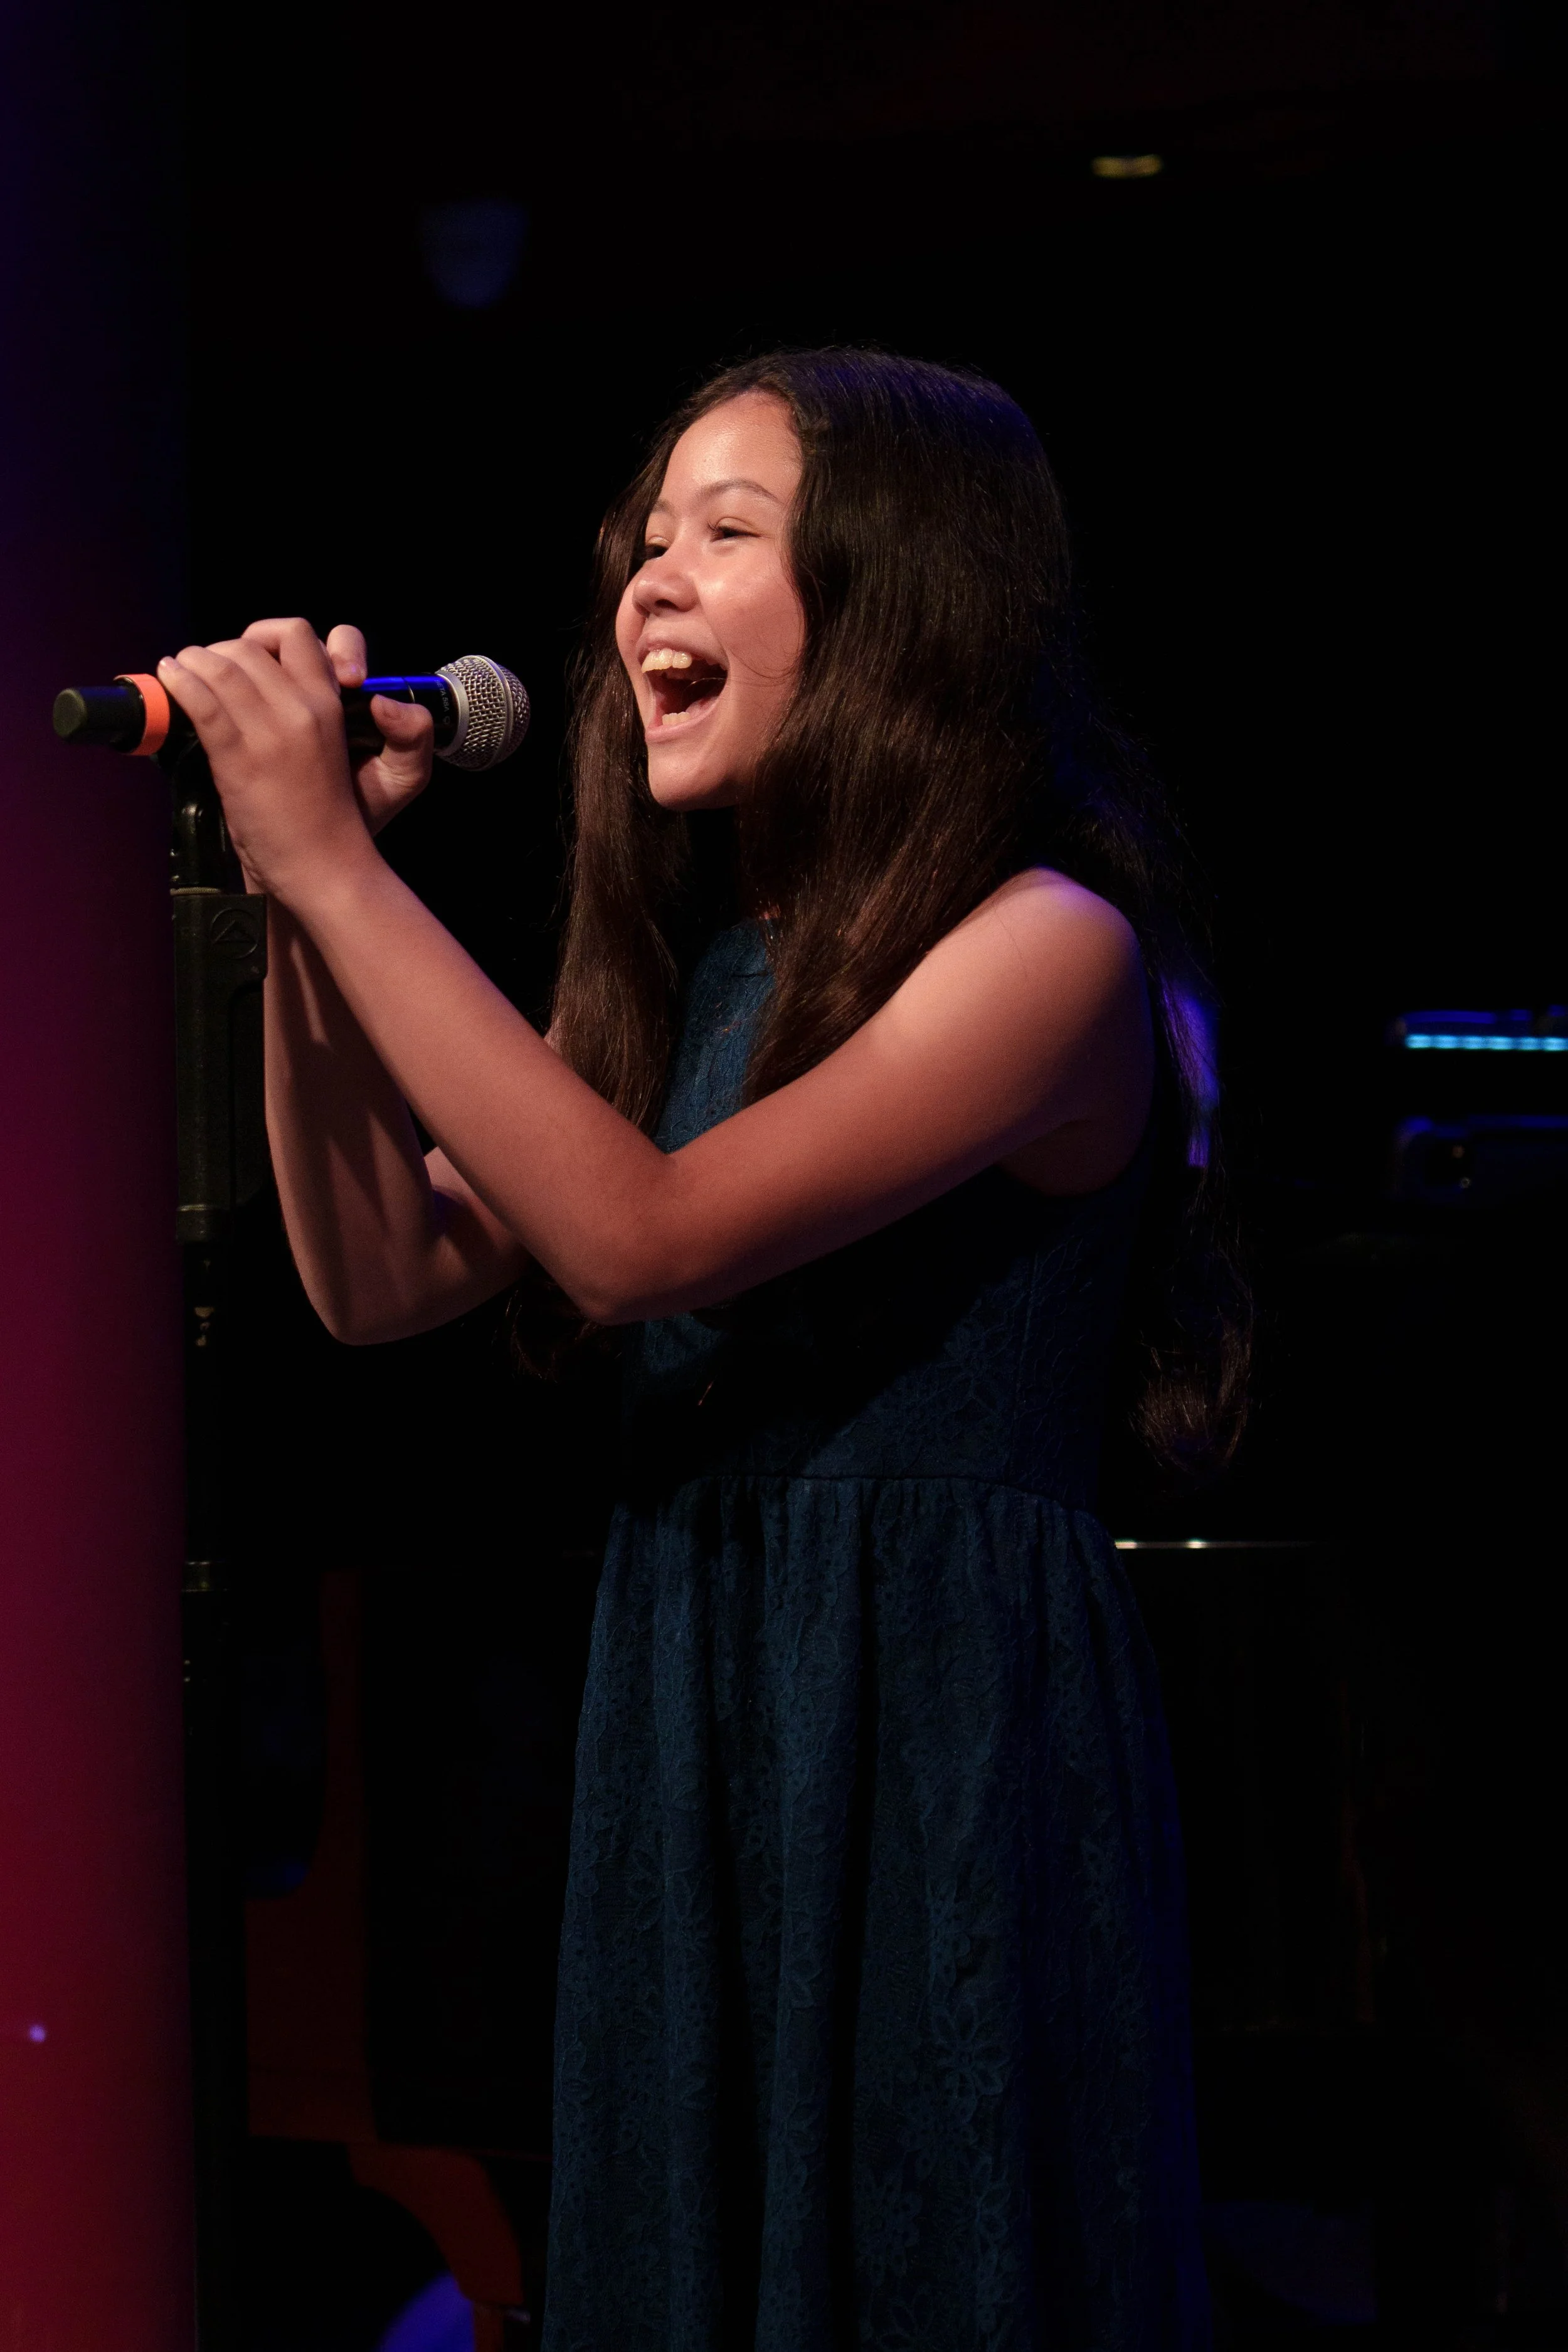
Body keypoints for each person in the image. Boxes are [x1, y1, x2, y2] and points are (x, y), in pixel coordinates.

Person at [161, 349, 1244, 2350]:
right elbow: (383, 1273)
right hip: (703, 1685)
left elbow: (634, 1237)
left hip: (931, 1726)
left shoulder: (1044, 949)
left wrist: (327, 859)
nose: (647, 588)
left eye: (725, 536)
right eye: (642, 543)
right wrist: (311, 906)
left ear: (907, 593)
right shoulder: (702, 973)